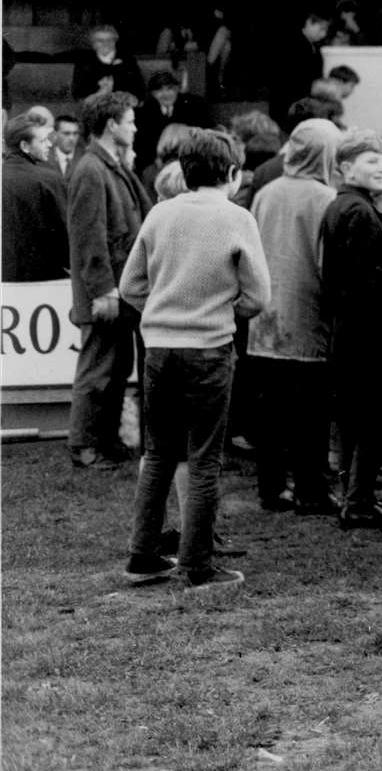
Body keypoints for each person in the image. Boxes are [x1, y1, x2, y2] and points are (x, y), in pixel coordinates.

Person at [120, 129, 269, 589]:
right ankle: (197, 565)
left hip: (159, 349)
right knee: (204, 458)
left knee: (159, 453)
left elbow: (130, 286)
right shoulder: (236, 217)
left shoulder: (160, 214)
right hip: (209, 349)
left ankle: (142, 556)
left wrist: (165, 313)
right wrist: (220, 312)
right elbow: (258, 295)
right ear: (231, 172)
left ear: (183, 172)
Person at [246, 119, 344, 517]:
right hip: (307, 319)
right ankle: (311, 490)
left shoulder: (266, 193)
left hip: (265, 320)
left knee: (270, 415)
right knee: (311, 414)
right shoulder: (326, 197)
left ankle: (271, 489)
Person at [320, 129, 382, 529]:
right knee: (370, 418)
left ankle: (355, 498)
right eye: (371, 160)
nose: (381, 167)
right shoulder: (358, 211)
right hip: (366, 332)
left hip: (348, 329)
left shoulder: (344, 206)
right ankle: (358, 502)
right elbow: (368, 284)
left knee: (355, 418)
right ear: (345, 166)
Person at [66, 91, 153, 470]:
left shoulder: (109, 166)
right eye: (130, 120)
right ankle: (83, 445)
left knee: (117, 368)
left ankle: (107, 440)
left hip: (121, 291)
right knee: (98, 369)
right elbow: (89, 237)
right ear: (111, 124)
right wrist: (103, 290)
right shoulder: (91, 169)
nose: (134, 126)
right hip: (108, 292)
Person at [2, 114, 68, 281]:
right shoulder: (49, 180)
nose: (50, 144)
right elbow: (66, 234)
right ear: (25, 146)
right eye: (43, 140)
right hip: (44, 280)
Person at [71, 25, 145, 102]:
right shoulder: (84, 62)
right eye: (100, 40)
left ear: (115, 41)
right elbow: (78, 95)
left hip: (123, 104)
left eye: (109, 40)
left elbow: (139, 90)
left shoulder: (128, 60)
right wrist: (99, 93)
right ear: (93, 44)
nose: (105, 43)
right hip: (95, 106)